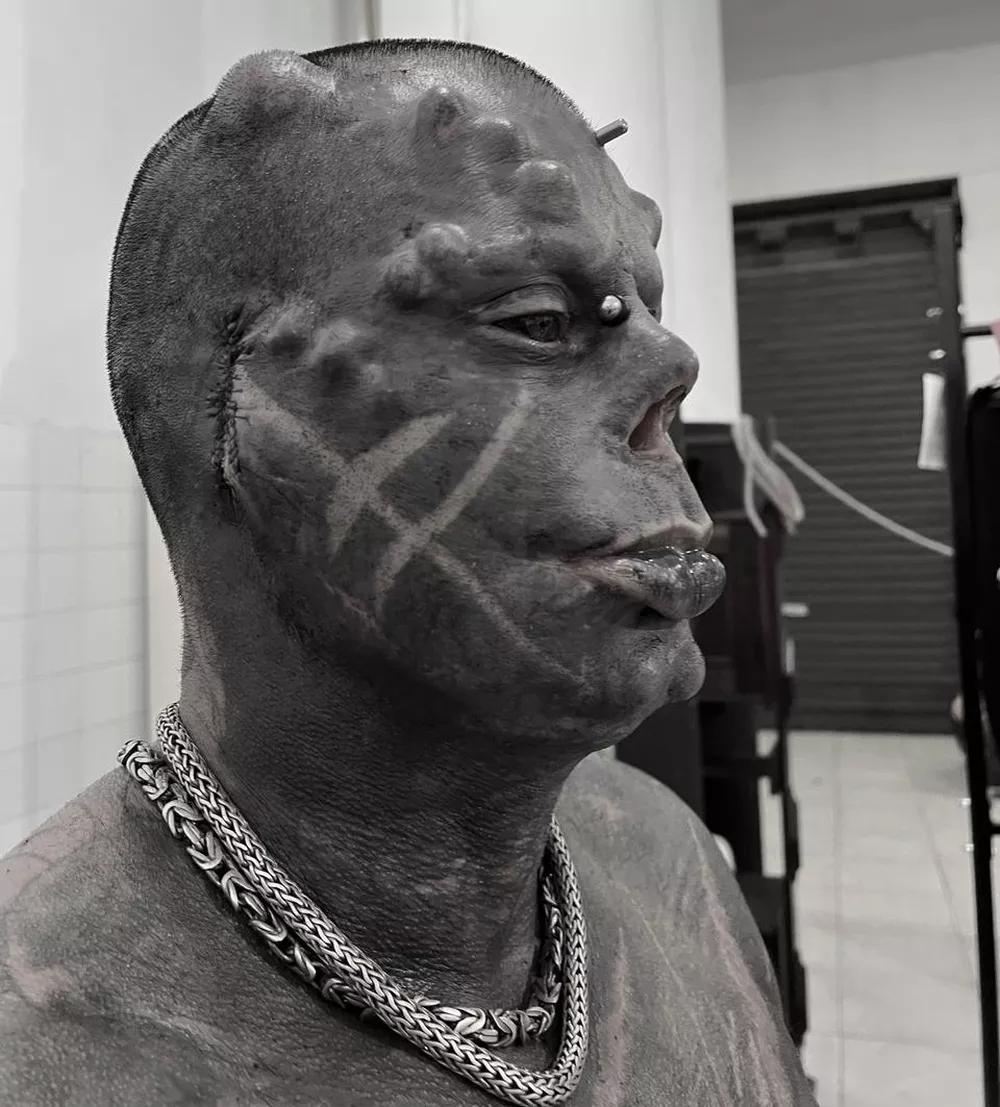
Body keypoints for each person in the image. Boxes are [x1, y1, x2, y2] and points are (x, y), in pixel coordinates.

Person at [0, 40, 817, 1106]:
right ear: (215, 414)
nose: (672, 369)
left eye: (647, 311)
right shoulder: (41, 1047)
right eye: (535, 321)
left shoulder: (669, 856)